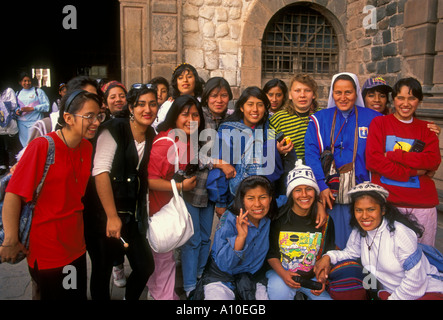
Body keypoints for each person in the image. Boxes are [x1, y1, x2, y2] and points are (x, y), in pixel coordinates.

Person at [0, 89, 103, 299]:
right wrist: (9, 240)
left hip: (75, 245)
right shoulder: (43, 147)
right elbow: (14, 194)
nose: (96, 122)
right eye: (89, 116)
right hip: (48, 248)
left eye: (99, 115)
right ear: (68, 118)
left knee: (74, 294)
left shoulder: (85, 147)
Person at [87, 84, 158, 300]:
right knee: (102, 269)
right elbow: (100, 172)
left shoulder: (152, 133)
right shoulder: (114, 129)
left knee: (145, 266)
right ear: (131, 108)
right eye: (141, 104)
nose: (148, 109)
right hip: (102, 215)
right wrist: (111, 216)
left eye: (153, 104)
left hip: (132, 217)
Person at [314, 182, 443, 300]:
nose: (364, 216)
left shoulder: (400, 233)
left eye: (371, 209)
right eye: (359, 210)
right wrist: (328, 257)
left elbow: (415, 281)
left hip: (424, 291)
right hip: (391, 293)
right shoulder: (360, 231)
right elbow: (351, 253)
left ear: (383, 210)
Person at [304, 72, 381, 249]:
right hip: (329, 193)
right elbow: (311, 154)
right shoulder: (319, 119)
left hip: (364, 191)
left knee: (362, 242)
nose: (343, 97)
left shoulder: (374, 119)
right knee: (333, 242)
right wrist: (322, 186)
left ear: (356, 93)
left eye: (348, 92)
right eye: (338, 92)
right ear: (332, 94)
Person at [365, 78, 441, 246]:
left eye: (412, 98)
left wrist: (394, 156)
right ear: (394, 99)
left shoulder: (427, 128)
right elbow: (373, 161)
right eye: (401, 98)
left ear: (419, 101)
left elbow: (432, 160)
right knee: (386, 256)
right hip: (389, 202)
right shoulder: (379, 123)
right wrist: (414, 171)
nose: (405, 103)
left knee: (423, 257)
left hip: (422, 204)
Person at [147, 94, 204, 300]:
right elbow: (149, 179)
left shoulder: (185, 139)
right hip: (156, 209)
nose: (191, 119)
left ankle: (165, 293)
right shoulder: (166, 144)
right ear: (174, 116)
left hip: (167, 205)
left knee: (165, 257)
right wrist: (180, 185)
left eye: (196, 115)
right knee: (162, 257)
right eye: (185, 114)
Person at [193, 175, 278, 300]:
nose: (257, 204)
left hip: (252, 278)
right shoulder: (230, 219)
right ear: (242, 200)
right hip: (222, 277)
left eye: (263, 197)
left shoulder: (269, 216)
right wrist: (241, 237)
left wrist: (318, 206)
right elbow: (224, 265)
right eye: (250, 198)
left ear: (270, 198)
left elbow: (296, 200)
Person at [266, 160, 335, 300]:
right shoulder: (278, 218)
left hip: (311, 277)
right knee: (279, 292)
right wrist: (284, 274)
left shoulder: (324, 221)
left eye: (309, 189)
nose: (304, 194)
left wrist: (322, 277)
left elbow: (327, 254)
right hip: (281, 274)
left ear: (315, 192)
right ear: (291, 194)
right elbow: (271, 253)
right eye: (298, 190)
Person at [211, 86, 284, 216]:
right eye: (250, 104)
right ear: (241, 107)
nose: (255, 110)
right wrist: (220, 202)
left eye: (260, 105)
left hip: (264, 200)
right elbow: (221, 169)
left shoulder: (269, 127)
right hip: (236, 198)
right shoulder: (229, 130)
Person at [269, 74, 320, 162]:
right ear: (290, 95)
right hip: (288, 171)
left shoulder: (322, 116)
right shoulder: (277, 119)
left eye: (307, 90)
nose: (302, 95)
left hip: (318, 170)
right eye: (297, 91)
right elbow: (267, 146)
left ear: (314, 95)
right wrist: (277, 149)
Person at [152, 63, 204, 131]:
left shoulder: (203, 103)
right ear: (176, 82)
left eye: (189, 77)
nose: (185, 80)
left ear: (195, 79)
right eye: (180, 78)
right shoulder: (169, 105)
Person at [15, 72, 50, 147]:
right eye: (24, 81)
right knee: (25, 146)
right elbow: (15, 107)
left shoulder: (38, 92)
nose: (27, 83)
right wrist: (17, 111)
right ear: (20, 82)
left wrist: (33, 108)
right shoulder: (18, 93)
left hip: (35, 122)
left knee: (35, 145)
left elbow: (47, 106)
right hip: (22, 124)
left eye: (29, 80)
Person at [0, 85, 21, 173]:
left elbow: (13, 105)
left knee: (11, 147)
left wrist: (3, 105)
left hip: (10, 125)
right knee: (1, 147)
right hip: (0, 127)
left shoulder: (9, 91)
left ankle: (11, 166)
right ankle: (2, 166)